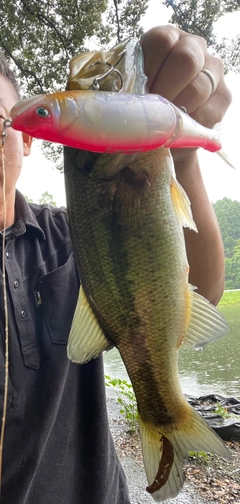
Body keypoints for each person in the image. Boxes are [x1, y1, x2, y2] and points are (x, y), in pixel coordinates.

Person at [0, 25, 231, 504]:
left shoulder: (67, 238)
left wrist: (183, 155)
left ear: (26, 139)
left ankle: (164, 414)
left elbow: (204, 288)